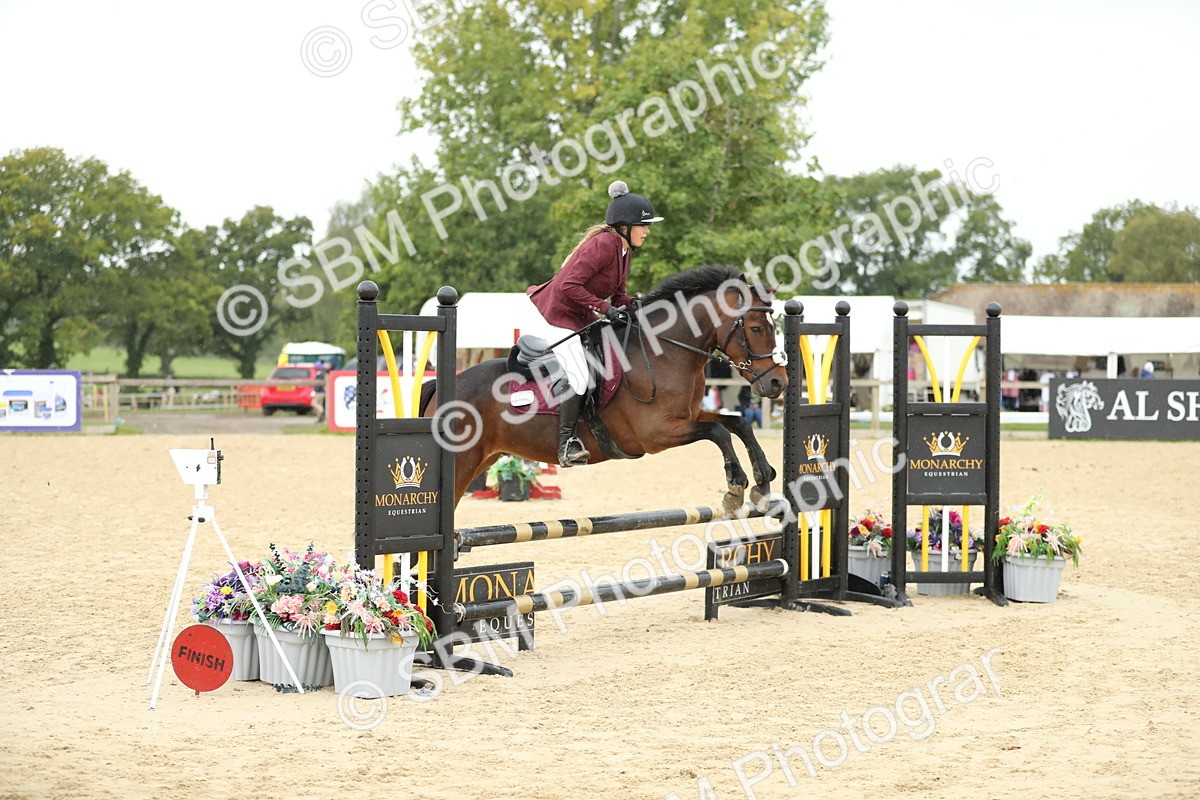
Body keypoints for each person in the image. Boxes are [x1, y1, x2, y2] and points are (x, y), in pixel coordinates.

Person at [526, 180, 663, 466]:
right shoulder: (602, 245)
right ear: (625, 225)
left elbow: (619, 294)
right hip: (555, 315)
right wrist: (605, 308)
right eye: (644, 226)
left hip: (579, 315)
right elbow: (567, 286)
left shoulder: (623, 251)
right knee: (579, 374)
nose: (647, 232)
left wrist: (634, 304)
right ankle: (566, 445)